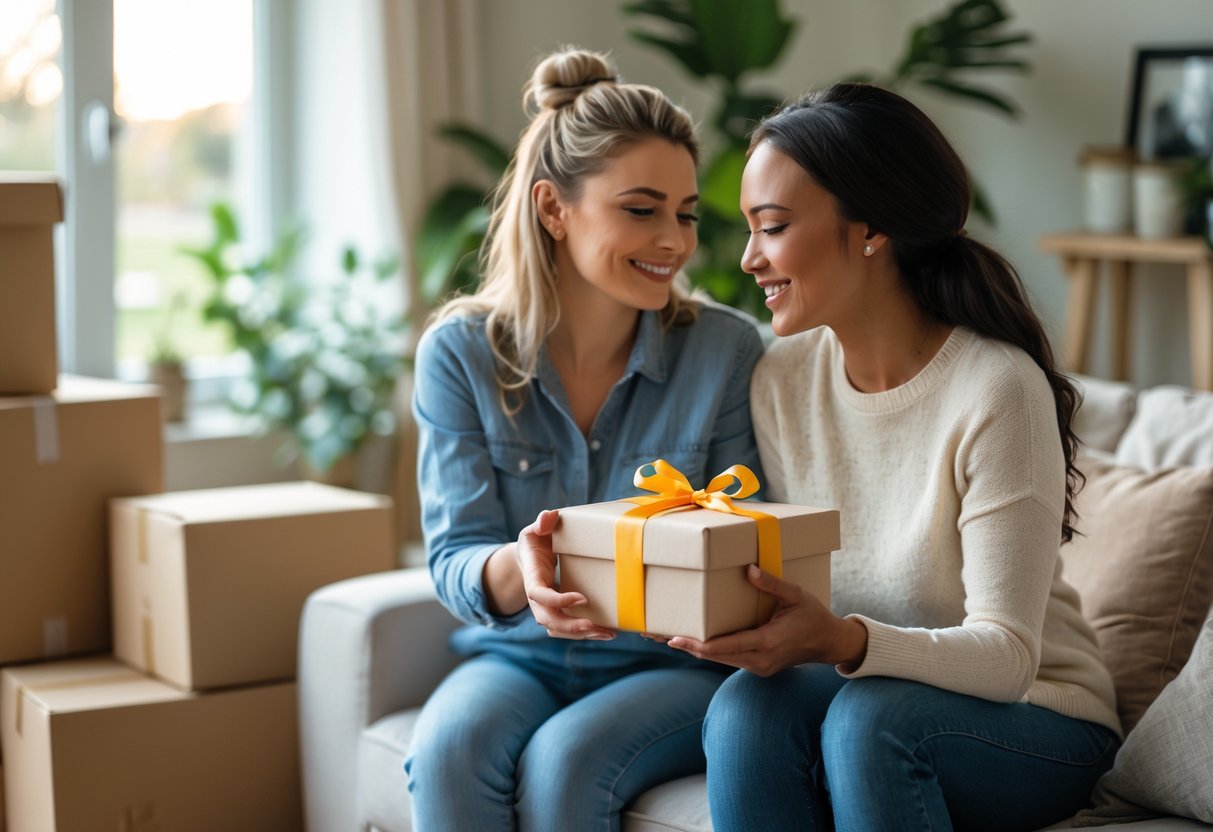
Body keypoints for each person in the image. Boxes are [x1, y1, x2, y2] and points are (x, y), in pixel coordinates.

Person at [664, 83, 1124, 831]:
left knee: (869, 722)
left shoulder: (994, 388)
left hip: (1038, 719)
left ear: (870, 228)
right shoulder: (781, 378)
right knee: (748, 707)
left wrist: (843, 641)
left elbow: (1008, 657)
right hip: (870, 694)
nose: (749, 258)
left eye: (772, 227)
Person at [405, 47, 765, 831]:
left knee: (566, 763)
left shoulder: (725, 351)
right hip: (521, 656)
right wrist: (524, 577)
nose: (673, 240)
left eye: (686, 213)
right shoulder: (461, 355)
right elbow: (454, 555)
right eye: (640, 209)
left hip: (672, 662)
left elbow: (748, 546)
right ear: (552, 208)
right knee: (445, 751)